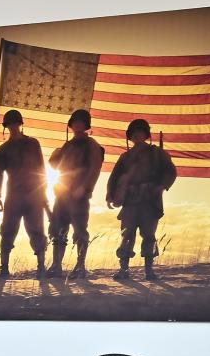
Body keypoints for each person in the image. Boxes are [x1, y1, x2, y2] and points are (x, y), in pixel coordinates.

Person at [105, 118, 176, 281]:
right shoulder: (125, 157)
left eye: (140, 131)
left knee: (149, 235)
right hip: (130, 200)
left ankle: (149, 271)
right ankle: (124, 270)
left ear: (146, 134)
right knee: (126, 234)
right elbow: (114, 178)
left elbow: (170, 171)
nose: (137, 135)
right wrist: (110, 195)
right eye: (134, 132)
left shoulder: (157, 153)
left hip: (149, 199)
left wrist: (162, 186)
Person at [0, 109, 48, 278]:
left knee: (36, 229)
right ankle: (4, 267)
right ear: (6, 126)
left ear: (20, 124)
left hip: (33, 195)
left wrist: (43, 193)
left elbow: (41, 169)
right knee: (8, 230)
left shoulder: (33, 143)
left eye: (16, 123)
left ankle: (41, 266)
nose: (13, 127)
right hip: (13, 196)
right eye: (10, 124)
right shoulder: (3, 149)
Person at [47, 109, 104, 280]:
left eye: (81, 122)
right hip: (62, 193)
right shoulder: (67, 145)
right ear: (71, 125)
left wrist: (86, 188)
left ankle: (80, 266)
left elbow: (95, 168)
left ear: (86, 125)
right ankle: (57, 266)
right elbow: (57, 167)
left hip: (79, 194)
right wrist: (55, 156)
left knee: (80, 230)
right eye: (75, 122)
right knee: (58, 229)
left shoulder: (91, 144)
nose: (78, 125)